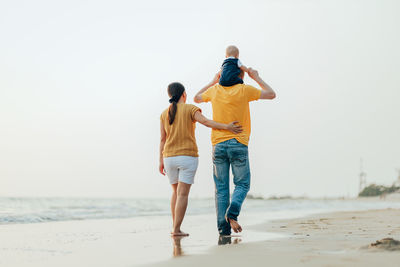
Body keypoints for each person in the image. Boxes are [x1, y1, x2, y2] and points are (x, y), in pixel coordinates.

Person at [194, 68, 276, 236]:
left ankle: (223, 231)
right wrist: (256, 77)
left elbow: (196, 97)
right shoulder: (245, 90)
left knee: (221, 189)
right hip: (239, 143)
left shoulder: (215, 91)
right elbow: (271, 94)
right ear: (241, 75)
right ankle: (232, 212)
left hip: (218, 145)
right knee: (243, 184)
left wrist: (212, 81)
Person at [159, 82, 242, 236]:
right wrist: (227, 127)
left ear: (170, 95)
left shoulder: (164, 113)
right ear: (184, 94)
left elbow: (162, 139)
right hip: (187, 156)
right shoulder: (190, 109)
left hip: (168, 157)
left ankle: (175, 227)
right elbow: (206, 122)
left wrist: (160, 161)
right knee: (182, 194)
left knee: (175, 193)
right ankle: (176, 229)